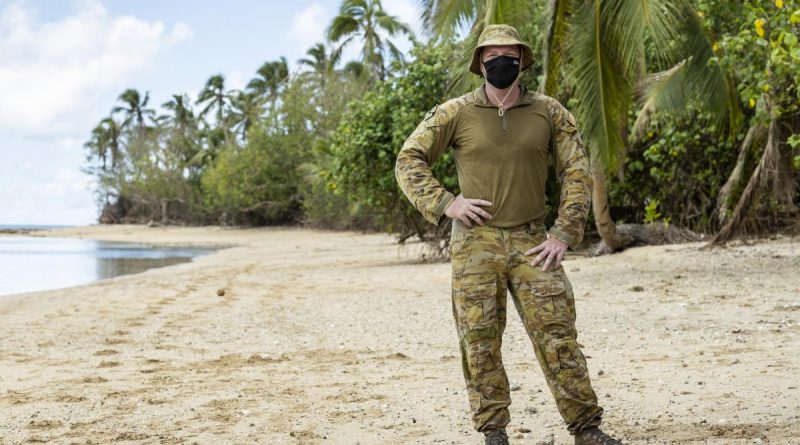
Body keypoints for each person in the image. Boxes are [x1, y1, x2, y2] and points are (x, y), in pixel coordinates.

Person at [394, 24, 625, 445]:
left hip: (534, 240)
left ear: (522, 59)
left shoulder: (550, 112)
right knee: (479, 340)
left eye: (509, 54)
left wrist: (564, 233)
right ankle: (494, 432)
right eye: (492, 54)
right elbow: (409, 159)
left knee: (558, 334)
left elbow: (576, 171)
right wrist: (447, 203)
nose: (501, 61)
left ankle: (587, 428)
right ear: (480, 62)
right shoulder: (456, 112)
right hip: (475, 242)